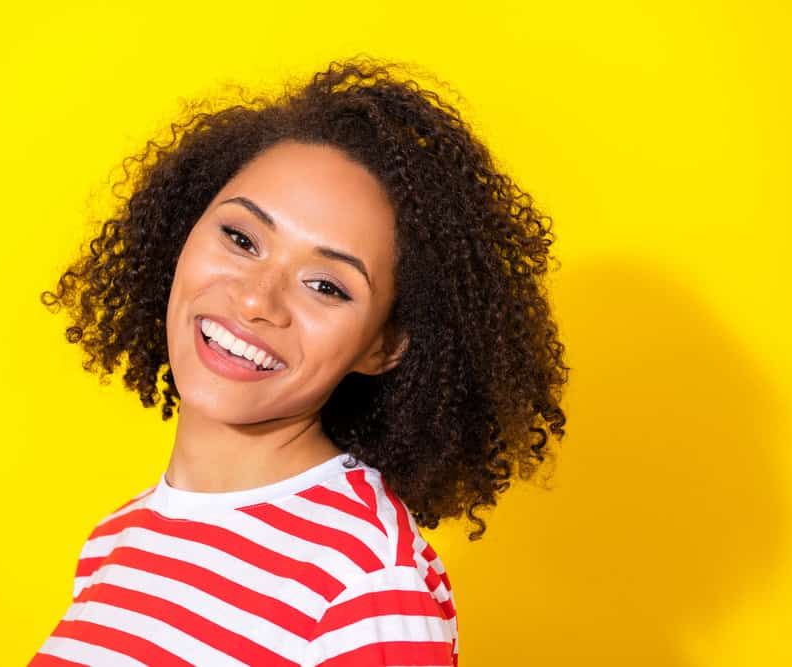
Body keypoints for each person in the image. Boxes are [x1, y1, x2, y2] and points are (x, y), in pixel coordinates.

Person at [29, 55, 569, 667]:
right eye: (240, 239)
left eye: (327, 286)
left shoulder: (364, 585)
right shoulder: (116, 541)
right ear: (184, 229)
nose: (258, 299)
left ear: (384, 345)